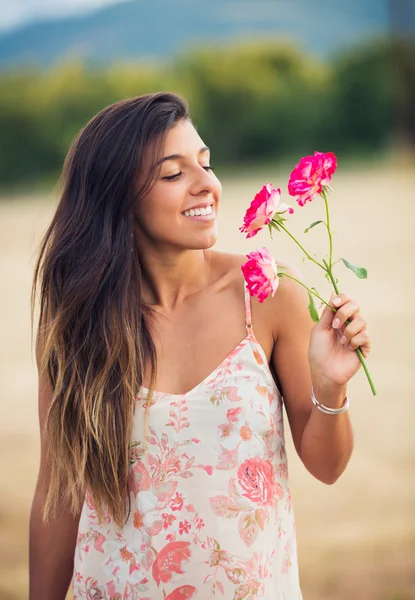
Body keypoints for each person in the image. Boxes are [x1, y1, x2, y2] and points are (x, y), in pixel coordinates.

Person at [29, 92, 371, 600]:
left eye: (206, 164)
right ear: (116, 196)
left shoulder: (269, 292)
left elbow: (327, 466)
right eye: (173, 174)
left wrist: (330, 385)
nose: (207, 184)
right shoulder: (78, 326)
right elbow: (59, 497)